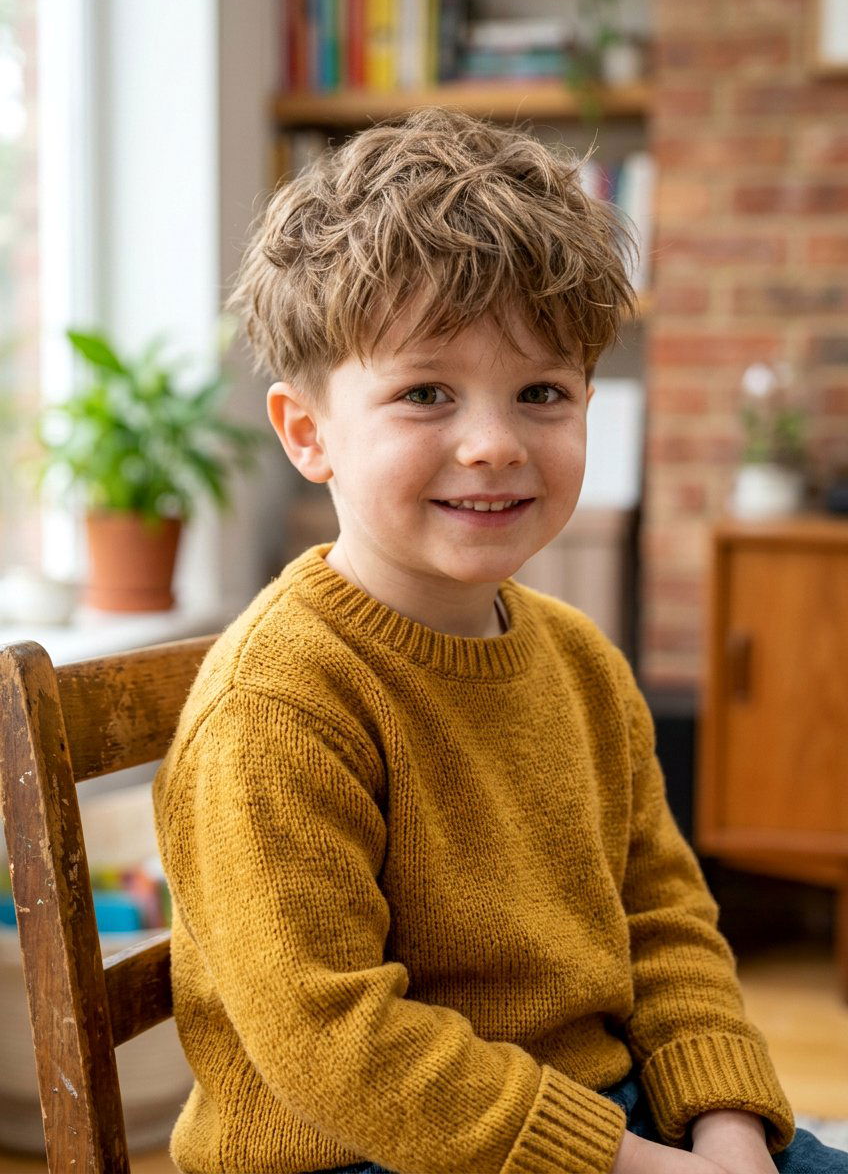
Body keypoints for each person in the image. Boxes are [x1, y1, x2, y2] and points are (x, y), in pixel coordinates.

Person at [152, 107, 847, 1174]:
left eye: (541, 393)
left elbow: (663, 920)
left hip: (591, 1113)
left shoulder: (578, 661)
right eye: (425, 393)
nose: (493, 443)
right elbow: (334, 1042)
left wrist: (723, 1124)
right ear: (308, 432)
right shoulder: (277, 701)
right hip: (354, 1149)